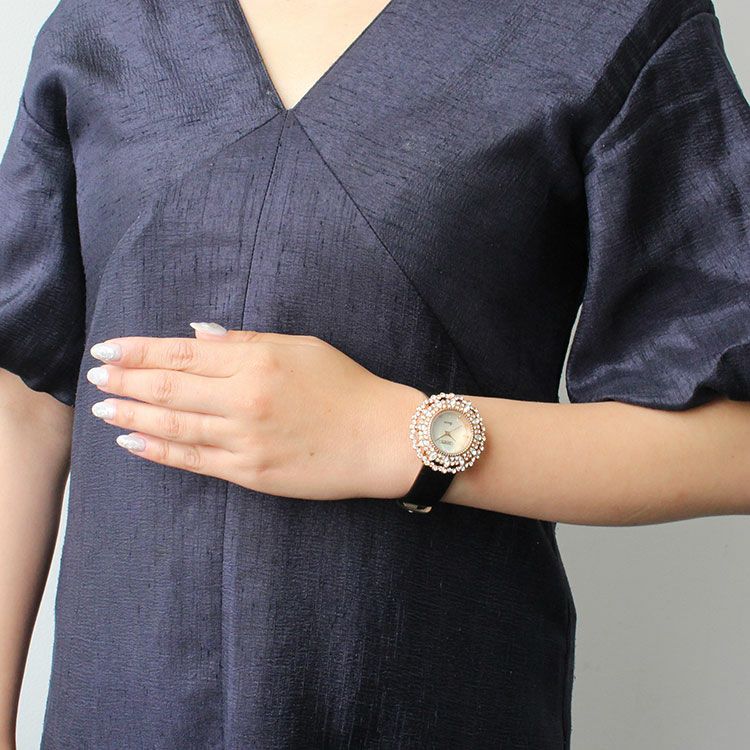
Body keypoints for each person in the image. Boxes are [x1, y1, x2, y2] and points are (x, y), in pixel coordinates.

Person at [1, 0, 748, 747]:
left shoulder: (606, 21)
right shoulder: (104, 24)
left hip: (424, 698)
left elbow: (733, 443)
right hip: (122, 705)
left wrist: (394, 437)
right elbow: (24, 398)